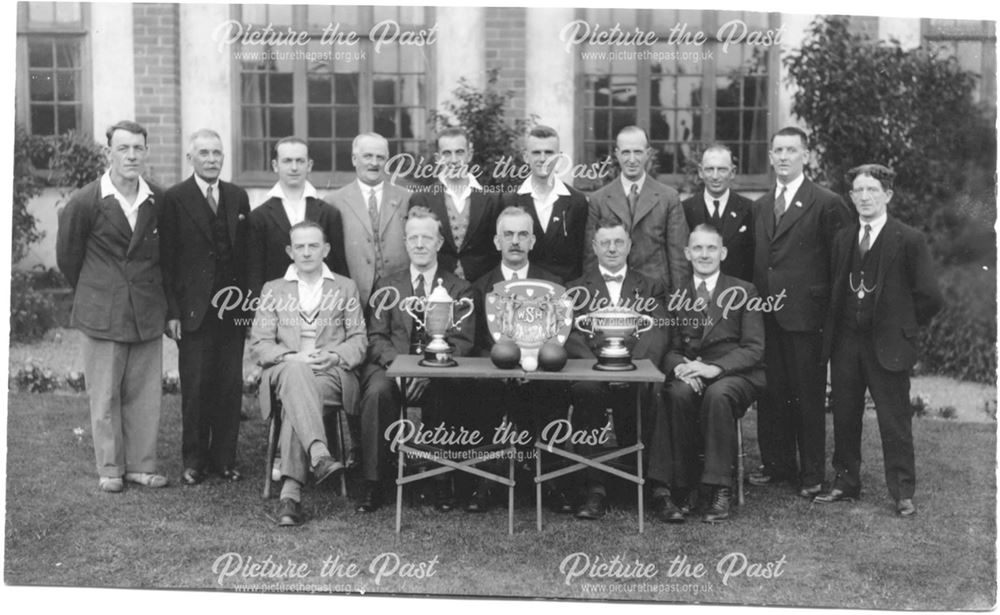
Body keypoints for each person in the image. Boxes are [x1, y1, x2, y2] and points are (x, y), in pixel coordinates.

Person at [815, 165, 942, 517]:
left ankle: (902, 491)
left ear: (888, 195)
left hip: (888, 344)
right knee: (844, 414)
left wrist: (903, 325)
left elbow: (930, 296)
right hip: (846, 343)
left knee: (894, 419)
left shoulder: (909, 239)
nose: (865, 197)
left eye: (872, 190)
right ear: (851, 197)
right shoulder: (843, 238)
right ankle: (845, 482)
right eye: (858, 190)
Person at [56, 120, 168, 493]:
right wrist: (97, 290)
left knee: (144, 392)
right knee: (105, 393)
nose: (132, 155)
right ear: (109, 153)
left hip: (147, 310)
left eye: (138, 148)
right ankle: (110, 467)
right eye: (124, 148)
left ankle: (140, 465)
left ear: (146, 152)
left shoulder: (158, 199)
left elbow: (168, 257)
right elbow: (69, 258)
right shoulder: (86, 201)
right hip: (102, 310)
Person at [749, 126, 851, 497]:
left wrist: (829, 313)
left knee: (807, 396)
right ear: (771, 155)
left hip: (807, 315)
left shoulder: (827, 202)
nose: (784, 157)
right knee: (772, 393)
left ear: (806, 156)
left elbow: (841, 264)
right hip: (767, 314)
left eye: (792, 150)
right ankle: (777, 465)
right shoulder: (761, 205)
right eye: (778, 150)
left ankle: (811, 474)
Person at [355, 206, 475, 513]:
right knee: (377, 392)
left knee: (445, 391)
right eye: (413, 238)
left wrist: (428, 372)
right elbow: (376, 336)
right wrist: (402, 369)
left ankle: (437, 478)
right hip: (391, 367)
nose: (420, 244)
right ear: (406, 243)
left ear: (439, 243)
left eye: (427, 238)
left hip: (439, 369)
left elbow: (462, 341)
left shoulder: (459, 288)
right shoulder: (387, 285)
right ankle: (373, 481)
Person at [250, 221, 367, 527]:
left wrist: (334, 355)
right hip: (284, 371)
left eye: (313, 245)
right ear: (290, 251)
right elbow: (260, 344)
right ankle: (319, 453)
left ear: (325, 249)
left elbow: (359, 339)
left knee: (295, 402)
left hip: (329, 374)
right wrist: (291, 356)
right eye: (299, 246)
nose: (306, 252)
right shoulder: (273, 289)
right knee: (295, 373)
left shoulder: (344, 287)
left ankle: (290, 495)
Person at [647, 224, 765, 523]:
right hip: (691, 371)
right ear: (687, 253)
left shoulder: (744, 290)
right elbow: (669, 347)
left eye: (711, 248)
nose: (704, 254)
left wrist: (715, 369)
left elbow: (753, 348)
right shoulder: (676, 294)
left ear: (722, 252)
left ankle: (718, 488)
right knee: (676, 393)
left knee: (718, 394)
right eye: (697, 248)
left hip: (734, 373)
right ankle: (682, 486)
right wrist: (682, 369)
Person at [161, 129, 251, 485]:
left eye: (217, 153)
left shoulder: (236, 196)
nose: (212, 159)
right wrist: (172, 312)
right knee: (196, 387)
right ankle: (194, 461)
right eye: (204, 153)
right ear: (190, 159)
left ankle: (224, 459)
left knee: (229, 387)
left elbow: (243, 256)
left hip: (231, 310)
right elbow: (166, 261)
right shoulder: (175, 198)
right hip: (193, 311)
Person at [565, 219, 669, 520]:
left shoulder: (651, 286)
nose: (612, 248)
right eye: (605, 243)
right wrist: (601, 370)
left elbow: (657, 331)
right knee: (586, 389)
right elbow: (570, 335)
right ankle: (594, 486)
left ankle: (657, 486)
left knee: (655, 389)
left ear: (629, 246)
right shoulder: (574, 289)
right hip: (593, 371)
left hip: (635, 369)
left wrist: (632, 369)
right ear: (595, 247)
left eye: (618, 242)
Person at [470, 206, 571, 513]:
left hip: (542, 375)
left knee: (555, 391)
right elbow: (474, 344)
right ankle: (485, 480)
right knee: (481, 393)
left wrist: (538, 367)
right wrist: (500, 366)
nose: (515, 241)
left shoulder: (554, 285)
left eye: (522, 234)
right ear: (497, 241)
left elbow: (560, 335)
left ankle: (551, 480)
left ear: (533, 241)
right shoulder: (480, 286)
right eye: (508, 234)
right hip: (496, 374)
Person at [585, 125, 690, 296]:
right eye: (626, 152)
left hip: (656, 293)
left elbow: (679, 259)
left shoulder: (668, 197)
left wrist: (679, 303)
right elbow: (591, 256)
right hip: (612, 292)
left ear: (648, 153)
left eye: (638, 152)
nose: (632, 159)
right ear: (617, 154)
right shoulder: (599, 199)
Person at [247, 137, 349, 299]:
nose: (294, 167)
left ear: (309, 165)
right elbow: (254, 274)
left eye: (300, 161)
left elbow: (339, 268)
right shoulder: (259, 217)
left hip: (323, 305)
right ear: (275, 165)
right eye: (287, 161)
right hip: (277, 307)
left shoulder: (329, 214)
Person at [409, 127, 501, 283]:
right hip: (436, 285)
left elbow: (496, 249)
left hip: (481, 286)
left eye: (459, 152)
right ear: (438, 158)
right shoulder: (422, 198)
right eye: (447, 153)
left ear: (469, 155)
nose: (453, 160)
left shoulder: (492, 199)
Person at [329, 132, 412, 306]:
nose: (374, 163)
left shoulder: (407, 199)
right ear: (354, 159)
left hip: (399, 298)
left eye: (380, 157)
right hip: (353, 298)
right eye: (367, 156)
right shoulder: (333, 202)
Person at [502, 125, 588, 284]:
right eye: (536, 152)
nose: (543, 159)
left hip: (565, 293)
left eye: (549, 152)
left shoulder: (577, 202)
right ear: (526, 157)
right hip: (521, 292)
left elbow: (583, 256)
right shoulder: (509, 201)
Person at [681, 144, 755, 282]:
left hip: (737, 295)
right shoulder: (685, 209)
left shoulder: (750, 209)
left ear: (732, 172)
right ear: (700, 172)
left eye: (721, 170)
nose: (715, 176)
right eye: (709, 169)